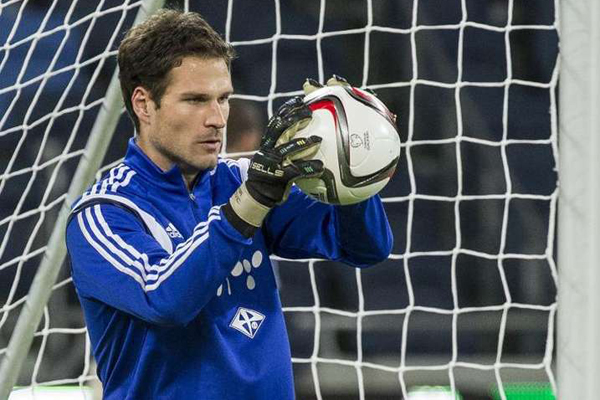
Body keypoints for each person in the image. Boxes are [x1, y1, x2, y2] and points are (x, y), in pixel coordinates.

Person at [65, 9, 393, 400]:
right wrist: (246, 207)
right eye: (196, 100)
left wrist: (352, 169)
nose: (218, 119)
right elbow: (165, 299)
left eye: (223, 99)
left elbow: (365, 248)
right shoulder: (103, 213)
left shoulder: (238, 180)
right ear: (144, 104)